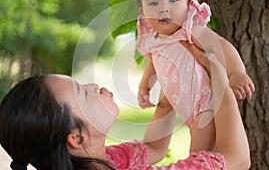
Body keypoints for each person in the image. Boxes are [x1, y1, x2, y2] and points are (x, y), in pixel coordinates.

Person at [0, 41, 251, 169]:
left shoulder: (103, 160)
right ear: (76, 138)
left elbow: (154, 148)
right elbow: (237, 161)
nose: (94, 86)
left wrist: (170, 85)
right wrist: (219, 77)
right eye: (83, 93)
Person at [135, 0, 255, 152]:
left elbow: (220, 46)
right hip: (184, 106)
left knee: (199, 156)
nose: (163, 8)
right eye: (153, 3)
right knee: (201, 154)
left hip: (205, 106)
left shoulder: (190, 31)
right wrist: (144, 86)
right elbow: (154, 63)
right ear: (142, 11)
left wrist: (236, 73)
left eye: (173, 0)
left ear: (188, 4)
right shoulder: (152, 40)